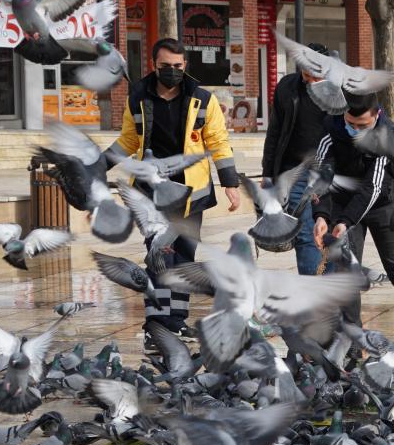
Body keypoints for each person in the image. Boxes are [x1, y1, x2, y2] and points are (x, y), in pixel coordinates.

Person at [109, 37, 241, 340]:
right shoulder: (138, 98)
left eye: (177, 66)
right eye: (165, 66)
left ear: (186, 66)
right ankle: (156, 324)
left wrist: (230, 183)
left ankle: (176, 320)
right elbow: (129, 140)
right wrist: (98, 165)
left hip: (189, 194)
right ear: (154, 65)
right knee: (158, 257)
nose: (171, 71)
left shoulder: (202, 100)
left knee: (183, 257)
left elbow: (219, 143)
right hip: (150, 192)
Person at [311, 92, 394, 362]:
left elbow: (373, 187)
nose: (355, 131)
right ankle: (353, 344)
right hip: (343, 204)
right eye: (350, 124)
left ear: (377, 115)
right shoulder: (330, 129)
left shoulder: (388, 136)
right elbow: (321, 174)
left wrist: (345, 222)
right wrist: (322, 216)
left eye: (362, 126)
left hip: (383, 206)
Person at [263, 42, 331, 275]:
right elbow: (275, 132)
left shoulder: (343, 89)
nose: (310, 80)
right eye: (305, 73)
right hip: (294, 170)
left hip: (330, 171)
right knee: (303, 232)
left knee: (330, 230)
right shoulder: (287, 87)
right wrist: (268, 173)